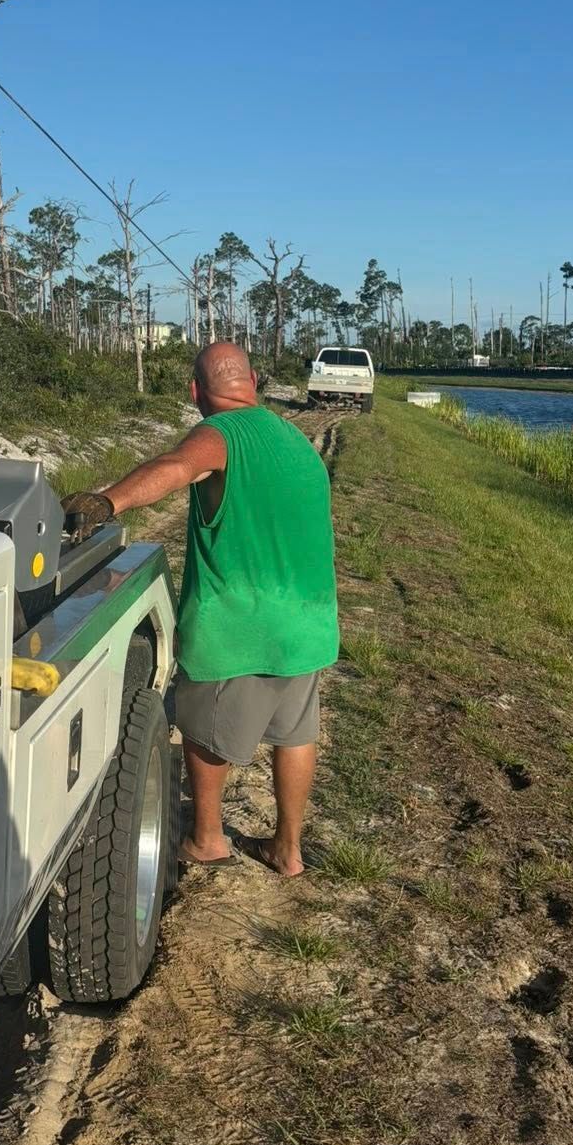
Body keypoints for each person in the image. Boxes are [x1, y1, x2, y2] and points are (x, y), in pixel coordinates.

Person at [62, 342, 338, 877]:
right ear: (254, 382)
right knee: (296, 734)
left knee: (202, 727)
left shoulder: (220, 436)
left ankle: (208, 838)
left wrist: (107, 502)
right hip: (308, 623)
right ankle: (288, 850)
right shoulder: (292, 439)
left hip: (243, 627)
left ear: (194, 392)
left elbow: (175, 466)